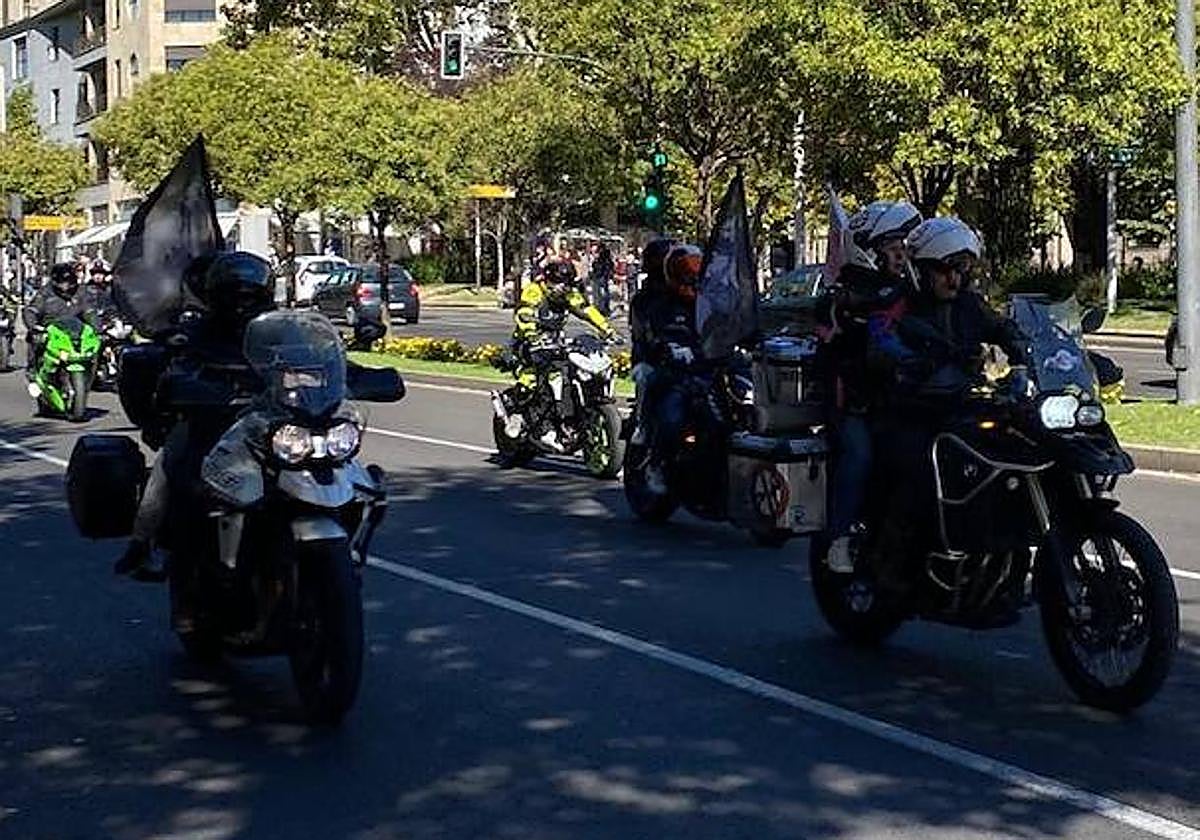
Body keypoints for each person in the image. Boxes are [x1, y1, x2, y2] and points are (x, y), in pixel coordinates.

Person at [870, 217, 1029, 605]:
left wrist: (1025, 348)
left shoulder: (970, 305)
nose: (953, 280)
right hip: (912, 410)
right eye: (944, 270)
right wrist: (909, 360)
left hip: (961, 404)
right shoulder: (898, 303)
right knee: (923, 471)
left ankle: (997, 543)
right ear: (921, 269)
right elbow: (880, 340)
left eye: (961, 270)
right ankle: (892, 565)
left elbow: (1001, 327)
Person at [114, 252, 276, 580]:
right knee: (170, 464)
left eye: (250, 296)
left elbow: (310, 355)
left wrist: (342, 371)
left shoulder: (275, 327)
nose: (243, 304)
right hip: (211, 420)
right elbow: (174, 361)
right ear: (216, 296)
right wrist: (177, 366)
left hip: (269, 422)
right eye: (236, 295)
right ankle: (142, 544)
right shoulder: (196, 330)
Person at [823, 201, 923, 573]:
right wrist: (908, 357)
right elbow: (881, 338)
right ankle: (840, 537)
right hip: (854, 401)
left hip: (899, 398)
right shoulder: (850, 294)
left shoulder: (911, 290)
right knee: (859, 455)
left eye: (905, 250)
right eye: (895, 250)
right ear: (871, 252)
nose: (902, 257)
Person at [510, 258, 614, 447]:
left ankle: (573, 416)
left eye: (566, 283)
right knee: (536, 378)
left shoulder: (569, 294)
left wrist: (607, 329)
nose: (562, 287)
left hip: (555, 341)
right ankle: (520, 415)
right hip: (527, 342)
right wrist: (532, 334)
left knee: (570, 372)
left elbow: (586, 310)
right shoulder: (534, 291)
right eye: (558, 282)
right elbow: (524, 313)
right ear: (548, 280)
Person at [637, 243, 704, 494]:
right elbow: (650, 335)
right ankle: (657, 464)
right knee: (673, 414)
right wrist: (669, 347)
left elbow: (728, 324)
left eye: (696, 273)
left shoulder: (708, 303)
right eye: (687, 274)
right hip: (676, 372)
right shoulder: (659, 305)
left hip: (710, 368)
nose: (692, 279)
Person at [22, 262, 94, 387]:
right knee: (36, 340)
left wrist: (97, 328)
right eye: (62, 281)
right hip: (50, 329)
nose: (65, 286)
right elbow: (31, 310)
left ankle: (90, 373)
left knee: (93, 345)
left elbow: (90, 312)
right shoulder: (45, 293)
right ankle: (33, 368)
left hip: (75, 330)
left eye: (68, 281)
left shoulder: (81, 292)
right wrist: (34, 326)